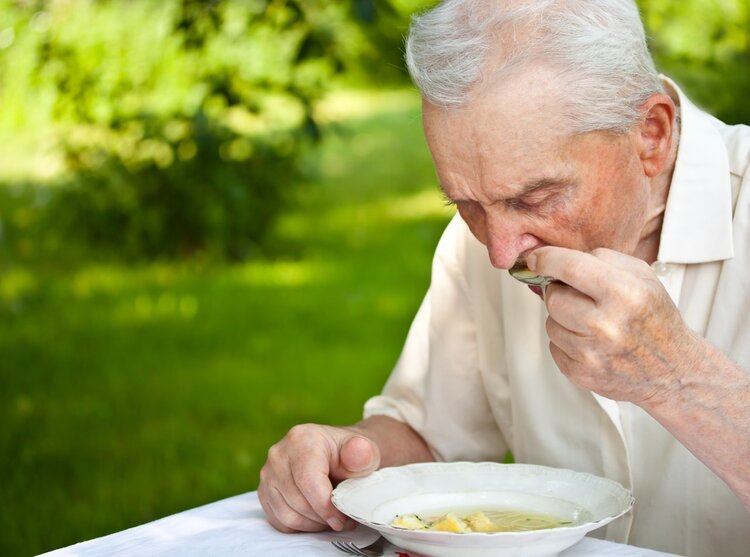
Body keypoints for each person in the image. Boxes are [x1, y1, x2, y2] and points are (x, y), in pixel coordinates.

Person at [258, 1, 750, 555]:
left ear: (650, 135)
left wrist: (678, 378)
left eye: (535, 197)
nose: (500, 252)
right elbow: (430, 439)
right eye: (466, 203)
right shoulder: (485, 242)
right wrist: (340, 458)